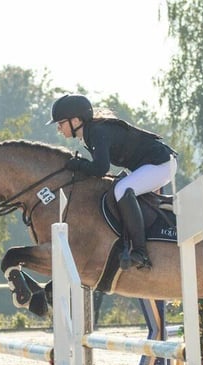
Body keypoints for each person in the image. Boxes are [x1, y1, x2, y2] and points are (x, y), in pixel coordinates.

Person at [47, 93, 177, 270]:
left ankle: (140, 252)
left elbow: (101, 168)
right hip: (152, 165)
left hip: (160, 164)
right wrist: (81, 165)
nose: (59, 129)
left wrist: (78, 164)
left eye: (61, 123)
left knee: (122, 189)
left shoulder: (97, 132)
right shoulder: (91, 133)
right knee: (120, 187)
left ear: (76, 121)